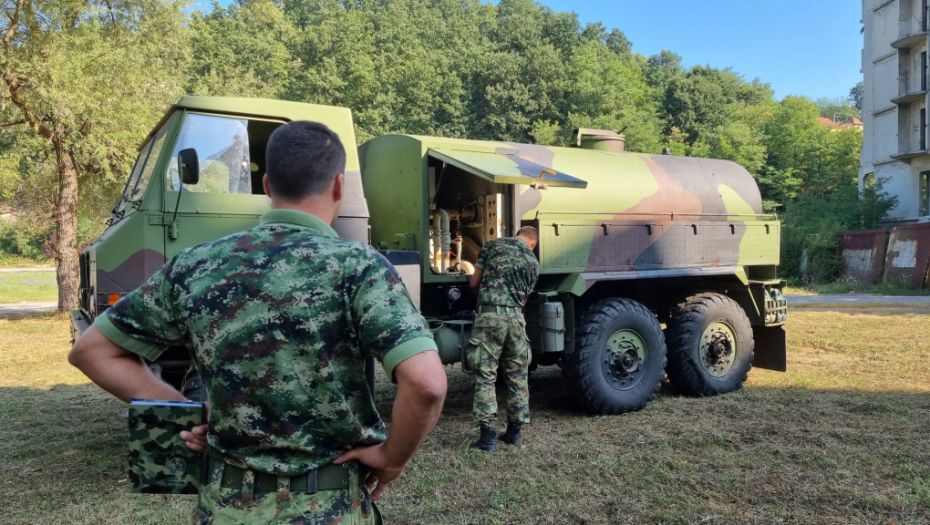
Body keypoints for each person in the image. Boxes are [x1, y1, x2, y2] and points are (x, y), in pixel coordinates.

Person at [69, 121, 448, 524]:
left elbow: (92, 352)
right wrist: (391, 459)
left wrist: (188, 410)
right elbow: (427, 384)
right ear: (339, 186)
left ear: (267, 186)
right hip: (333, 508)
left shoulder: (196, 265)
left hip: (227, 508)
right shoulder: (359, 267)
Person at [467, 226, 540, 452]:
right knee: (518, 376)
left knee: (486, 375)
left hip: (490, 317)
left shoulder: (492, 246)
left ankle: (488, 438)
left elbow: (473, 283)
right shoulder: (533, 263)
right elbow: (524, 297)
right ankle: (514, 434)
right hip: (517, 320)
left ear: (517, 234)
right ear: (533, 243)